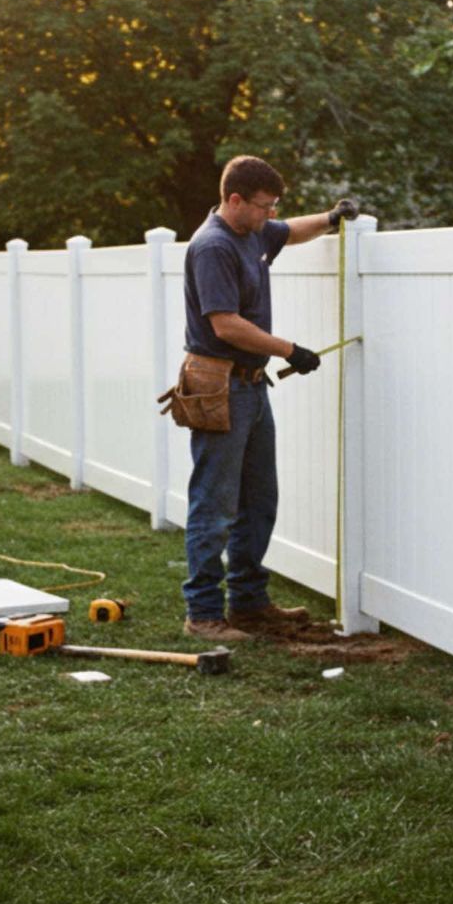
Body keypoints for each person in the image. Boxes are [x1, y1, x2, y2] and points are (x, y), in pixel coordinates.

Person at [177, 155, 357, 642]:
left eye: (273, 206)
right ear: (234, 200)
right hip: (221, 385)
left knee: (259, 500)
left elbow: (288, 232)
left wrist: (330, 219)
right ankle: (204, 613)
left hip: (252, 388)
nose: (269, 215)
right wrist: (289, 350)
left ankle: (251, 604)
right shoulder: (214, 246)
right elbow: (225, 323)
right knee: (214, 505)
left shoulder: (251, 232)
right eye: (263, 206)